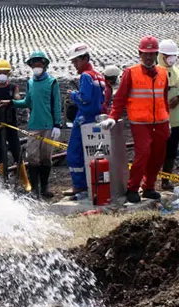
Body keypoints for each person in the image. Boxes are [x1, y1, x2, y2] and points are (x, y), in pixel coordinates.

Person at [100, 36, 170, 203]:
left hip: (160, 122)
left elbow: (164, 99)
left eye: (152, 53)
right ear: (140, 54)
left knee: (158, 156)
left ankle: (149, 187)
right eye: (145, 53)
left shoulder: (162, 73)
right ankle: (132, 188)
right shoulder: (131, 73)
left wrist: (167, 121)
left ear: (156, 54)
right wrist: (113, 117)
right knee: (143, 153)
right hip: (140, 123)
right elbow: (120, 99)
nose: (148, 57)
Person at [5, 50, 62, 199]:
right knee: (32, 157)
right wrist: (11, 102)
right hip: (34, 125)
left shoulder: (52, 82)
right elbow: (27, 102)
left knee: (46, 157)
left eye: (38, 63)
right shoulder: (30, 83)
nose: (36, 66)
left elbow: (56, 104)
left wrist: (57, 124)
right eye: (33, 64)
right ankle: (34, 188)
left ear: (44, 64)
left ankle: (44, 187)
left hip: (49, 125)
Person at [65, 43, 106, 201]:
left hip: (83, 119)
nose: (74, 65)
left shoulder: (86, 76)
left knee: (74, 153)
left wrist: (73, 95)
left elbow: (84, 98)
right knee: (94, 154)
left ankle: (79, 185)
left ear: (85, 58)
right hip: (97, 119)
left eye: (76, 61)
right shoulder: (99, 76)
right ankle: (92, 184)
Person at [0, 59, 31, 191]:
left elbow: (17, 98)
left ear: (9, 74)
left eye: (4, 73)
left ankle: (25, 181)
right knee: (0, 152)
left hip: (11, 123)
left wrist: (6, 101)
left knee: (16, 150)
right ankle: (4, 181)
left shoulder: (13, 87)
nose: (2, 75)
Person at [158, 39, 179, 190]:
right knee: (157, 151)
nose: (172, 58)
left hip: (176, 120)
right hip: (160, 120)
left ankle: (166, 180)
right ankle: (150, 182)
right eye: (168, 55)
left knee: (171, 151)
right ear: (161, 56)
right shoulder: (156, 72)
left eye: (174, 55)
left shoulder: (177, 71)